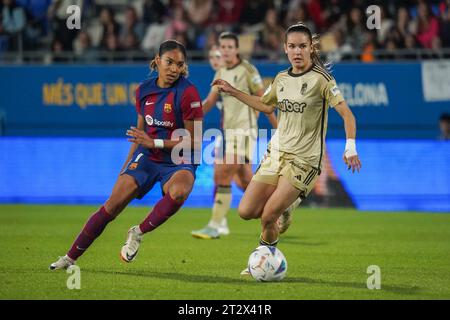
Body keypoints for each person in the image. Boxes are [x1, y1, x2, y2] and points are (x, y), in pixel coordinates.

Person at [211, 23, 362, 274]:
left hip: (304, 160)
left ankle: (263, 259)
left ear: (311, 48)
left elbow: (347, 115)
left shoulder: (322, 80)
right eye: (292, 46)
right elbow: (265, 105)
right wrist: (234, 91)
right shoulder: (281, 79)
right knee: (246, 211)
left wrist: (350, 148)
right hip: (276, 154)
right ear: (285, 49)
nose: (297, 51)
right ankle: (286, 211)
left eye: (302, 46)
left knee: (269, 215)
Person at [50, 40, 203, 270]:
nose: (174, 69)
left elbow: (195, 141)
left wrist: (156, 141)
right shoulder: (143, 91)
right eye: (169, 62)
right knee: (112, 206)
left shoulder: (188, 92)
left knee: (180, 191)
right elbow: (139, 133)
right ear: (157, 60)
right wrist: (126, 166)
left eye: (179, 65)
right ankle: (69, 258)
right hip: (148, 156)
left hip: (178, 158)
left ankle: (138, 232)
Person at [190, 32, 278, 240]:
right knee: (246, 181)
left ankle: (216, 224)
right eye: (223, 47)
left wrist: (278, 129)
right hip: (229, 134)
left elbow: (265, 100)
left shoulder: (248, 70)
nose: (226, 50)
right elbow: (210, 102)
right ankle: (278, 210)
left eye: (230, 47)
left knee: (221, 173)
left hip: (245, 131)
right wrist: (188, 115)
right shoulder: (220, 71)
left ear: (237, 49)